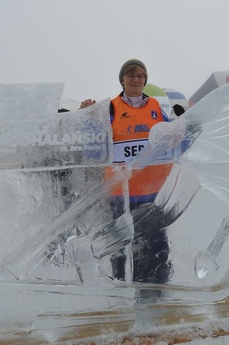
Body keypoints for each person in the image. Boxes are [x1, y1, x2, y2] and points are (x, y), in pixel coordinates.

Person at [80, 59, 173, 285]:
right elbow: (93, 151)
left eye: (140, 75)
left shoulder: (155, 108)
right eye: (130, 75)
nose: (135, 79)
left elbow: (173, 139)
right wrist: (89, 119)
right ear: (122, 80)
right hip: (120, 195)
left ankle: (156, 290)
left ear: (145, 80)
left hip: (152, 195)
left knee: (157, 248)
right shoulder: (109, 108)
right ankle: (122, 292)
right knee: (122, 250)